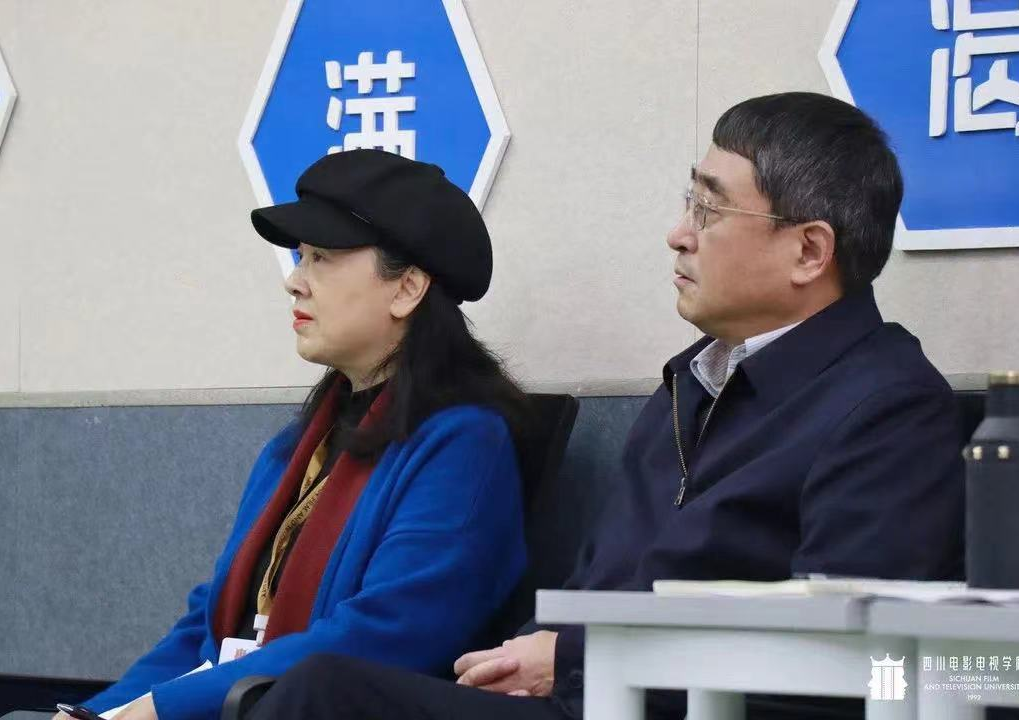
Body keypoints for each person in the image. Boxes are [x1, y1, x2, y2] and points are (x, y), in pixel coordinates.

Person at [243, 92, 966, 720]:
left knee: (321, 695)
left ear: (809, 252)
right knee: (318, 693)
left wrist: (574, 658)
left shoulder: (890, 411)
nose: (678, 233)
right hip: (582, 699)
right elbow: (590, 593)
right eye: (688, 202)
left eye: (709, 209)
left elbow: (850, 654)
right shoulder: (691, 384)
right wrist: (528, 657)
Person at [64, 149, 530, 720]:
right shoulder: (295, 446)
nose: (294, 281)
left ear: (407, 288)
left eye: (322, 258)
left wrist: (158, 710)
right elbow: (206, 628)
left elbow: (383, 636)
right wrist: (96, 714)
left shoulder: (463, 445)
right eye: (300, 256)